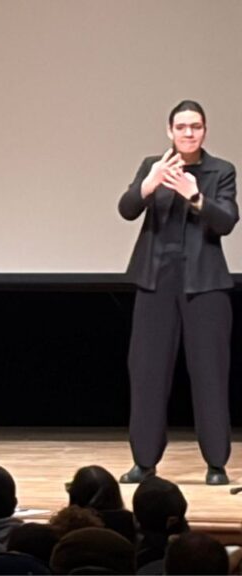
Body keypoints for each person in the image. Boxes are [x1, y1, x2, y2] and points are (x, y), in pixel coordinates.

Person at [117, 100, 238, 486]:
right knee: (147, 373)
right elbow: (127, 208)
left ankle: (216, 463)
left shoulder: (221, 170)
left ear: (204, 131)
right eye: (182, 127)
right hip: (156, 281)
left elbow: (227, 221)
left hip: (205, 284)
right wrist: (149, 184)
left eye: (196, 127)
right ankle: (144, 461)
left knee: (209, 373)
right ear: (170, 131)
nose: (189, 133)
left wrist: (195, 195)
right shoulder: (153, 165)